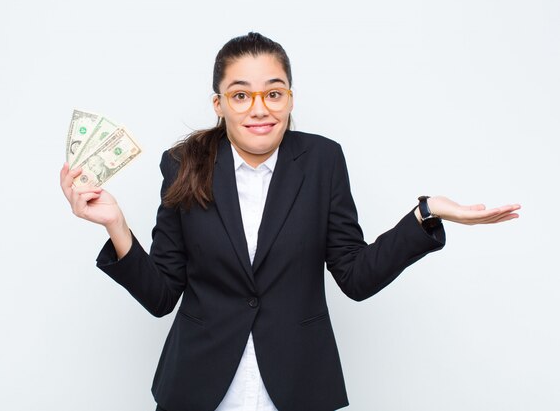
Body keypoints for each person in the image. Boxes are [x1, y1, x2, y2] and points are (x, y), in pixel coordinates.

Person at [59, 32, 520, 411]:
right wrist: (115, 223)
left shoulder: (322, 160)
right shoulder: (183, 164)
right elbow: (161, 295)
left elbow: (356, 276)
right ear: (219, 104)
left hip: (298, 386)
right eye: (240, 95)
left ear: (289, 98)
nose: (259, 108)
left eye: (273, 93)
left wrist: (426, 213)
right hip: (199, 388)